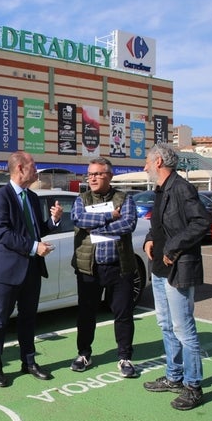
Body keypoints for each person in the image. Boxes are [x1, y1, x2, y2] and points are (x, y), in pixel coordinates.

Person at [142, 143, 211, 411]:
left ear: (158, 161)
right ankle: (174, 376)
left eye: (148, 161)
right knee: (166, 324)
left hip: (178, 268)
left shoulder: (181, 188)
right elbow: (159, 225)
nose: (145, 166)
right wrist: (150, 239)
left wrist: (172, 248)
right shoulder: (161, 189)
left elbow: (201, 222)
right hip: (159, 269)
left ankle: (193, 386)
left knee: (183, 328)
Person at [0, 151, 63, 387]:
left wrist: (54, 220)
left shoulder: (32, 197)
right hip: (8, 270)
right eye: (33, 165)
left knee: (28, 318)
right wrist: (33, 247)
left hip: (31, 269)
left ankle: (28, 362)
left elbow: (38, 229)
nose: (36, 169)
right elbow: (3, 235)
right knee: (0, 318)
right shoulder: (0, 198)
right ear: (20, 168)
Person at [69, 157, 139, 378]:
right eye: (90, 174)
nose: (92, 178)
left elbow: (128, 223)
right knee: (86, 314)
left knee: (123, 314)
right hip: (89, 268)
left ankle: (125, 357)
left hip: (119, 266)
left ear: (109, 175)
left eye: (98, 174)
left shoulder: (123, 198)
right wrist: (109, 216)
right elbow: (78, 219)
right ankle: (83, 354)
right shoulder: (82, 199)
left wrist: (97, 227)